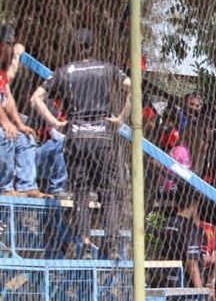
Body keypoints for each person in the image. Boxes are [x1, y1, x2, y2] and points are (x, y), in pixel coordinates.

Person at [31, 28, 131, 257]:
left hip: (76, 135)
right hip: (102, 135)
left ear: (75, 48)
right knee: (107, 191)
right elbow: (133, 87)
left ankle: (85, 243)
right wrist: (120, 118)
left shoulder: (64, 71)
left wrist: (56, 123)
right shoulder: (106, 69)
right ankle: (113, 244)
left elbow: (36, 98)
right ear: (94, 48)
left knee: (81, 191)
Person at [0, 37, 47, 198]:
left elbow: (8, 99)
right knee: (5, 137)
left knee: (25, 139)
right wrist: (6, 122)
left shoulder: (2, 73)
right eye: (8, 46)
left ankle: (27, 186)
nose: (10, 49)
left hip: (3, 122)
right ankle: (4, 188)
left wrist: (20, 124)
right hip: (1, 126)